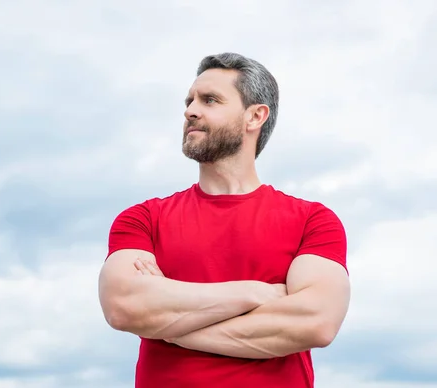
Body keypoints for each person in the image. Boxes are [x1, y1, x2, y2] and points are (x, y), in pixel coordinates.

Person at [98, 52, 351, 388]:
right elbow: (124, 308)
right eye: (189, 101)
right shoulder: (143, 219)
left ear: (255, 116)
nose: (190, 111)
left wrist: (170, 328)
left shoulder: (312, 220)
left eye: (210, 100)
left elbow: (316, 322)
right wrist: (255, 294)